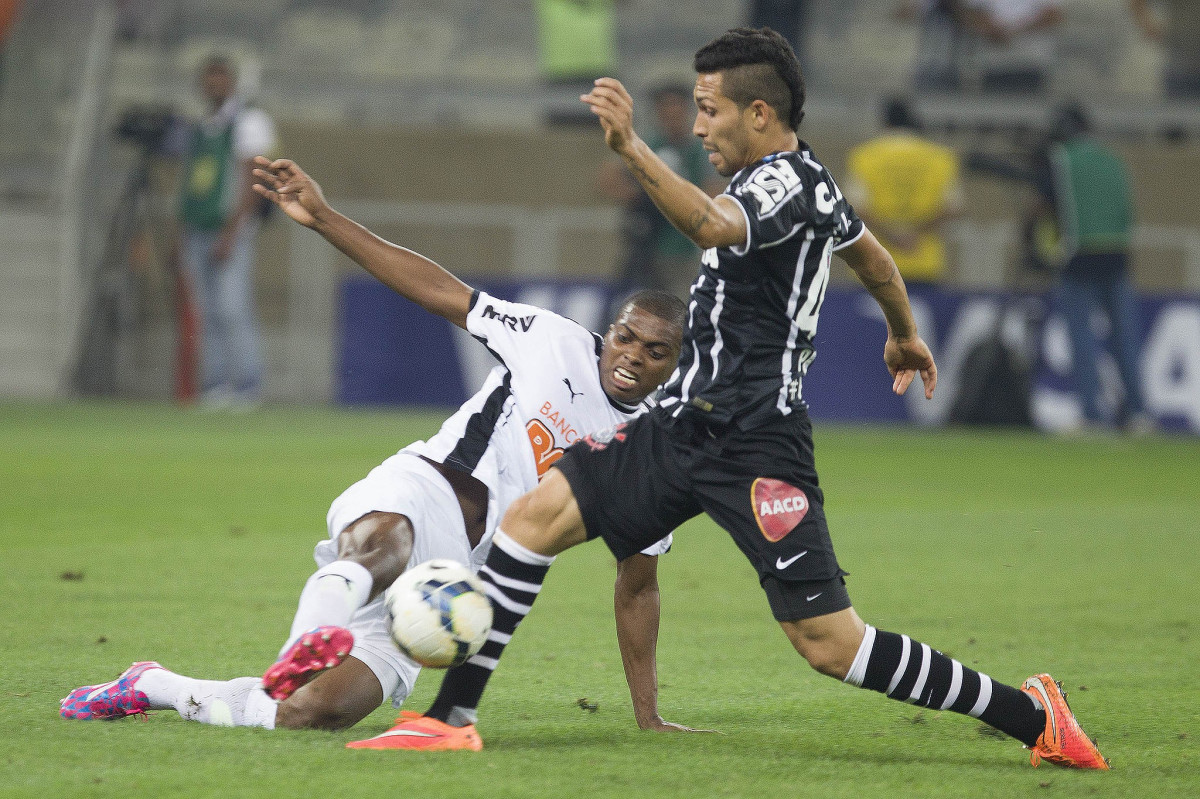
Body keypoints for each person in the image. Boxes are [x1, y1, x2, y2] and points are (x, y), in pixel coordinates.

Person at [362, 27, 1110, 771]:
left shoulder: (781, 182)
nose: (696, 126)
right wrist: (904, 332)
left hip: (757, 443)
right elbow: (874, 257)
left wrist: (631, 148)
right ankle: (450, 717)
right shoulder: (810, 184)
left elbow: (708, 222)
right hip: (682, 424)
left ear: (759, 114)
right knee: (533, 520)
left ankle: (1033, 712)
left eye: (708, 109)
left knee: (830, 644)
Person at [60, 159, 697, 734]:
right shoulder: (551, 339)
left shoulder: (649, 454)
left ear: (674, 364)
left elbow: (637, 587)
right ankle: (307, 640)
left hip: (457, 587)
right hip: (425, 489)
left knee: (313, 713)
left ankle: (154, 685)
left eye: (654, 350)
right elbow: (440, 290)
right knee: (385, 546)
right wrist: (325, 220)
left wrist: (649, 717)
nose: (632, 355)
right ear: (608, 331)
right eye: (625, 337)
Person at [1033, 103, 1153, 434]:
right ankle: (1139, 413)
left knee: (1082, 338)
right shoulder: (1113, 160)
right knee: (1124, 339)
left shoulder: (1061, 159)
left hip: (1080, 256)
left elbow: (1046, 204)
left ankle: (1092, 414)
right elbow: (1128, 212)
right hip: (1118, 254)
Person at [178, 54, 276, 409]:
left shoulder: (250, 121)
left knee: (233, 306)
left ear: (233, 81)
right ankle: (215, 385)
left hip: (228, 230)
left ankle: (248, 384)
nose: (213, 84)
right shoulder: (204, 125)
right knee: (207, 311)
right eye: (208, 77)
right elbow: (194, 183)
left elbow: (251, 180)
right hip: (198, 227)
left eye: (219, 77)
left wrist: (232, 233)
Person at [596, 83, 723, 300]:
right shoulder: (646, 144)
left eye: (677, 109)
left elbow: (713, 193)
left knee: (680, 305)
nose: (672, 115)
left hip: (682, 249)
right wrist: (638, 197)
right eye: (666, 109)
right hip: (645, 246)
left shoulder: (699, 149)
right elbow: (607, 179)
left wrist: (680, 203)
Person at [844, 96, 964, 289]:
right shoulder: (941, 158)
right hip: (924, 263)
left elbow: (856, 209)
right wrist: (914, 234)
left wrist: (892, 236)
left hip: (873, 263)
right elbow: (952, 209)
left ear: (885, 122)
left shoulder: (864, 156)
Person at [960, 0, 1064, 95]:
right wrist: (994, 31)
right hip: (992, 63)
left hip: (1031, 63)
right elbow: (970, 13)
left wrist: (1014, 32)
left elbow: (1054, 15)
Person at [1130, 0, 1200, 100]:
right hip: (1182, 70)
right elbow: (1137, 3)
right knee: (1178, 111)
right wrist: (1148, 26)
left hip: (1181, 68)